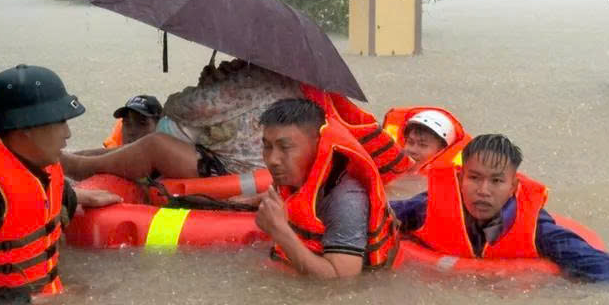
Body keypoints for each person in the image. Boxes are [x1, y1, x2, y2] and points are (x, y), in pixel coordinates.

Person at [0, 65, 121, 305]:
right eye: (59, 121)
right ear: (25, 128)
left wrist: (76, 196)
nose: (67, 133)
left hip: (45, 297)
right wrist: (35, 302)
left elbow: (38, 198)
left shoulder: (40, 161)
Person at [390, 134, 609, 282]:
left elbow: (605, 270)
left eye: (496, 181)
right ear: (460, 178)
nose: (483, 190)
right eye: (474, 178)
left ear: (513, 186)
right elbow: (376, 213)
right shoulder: (427, 207)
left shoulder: (536, 228)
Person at [60, 59, 303, 181]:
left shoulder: (251, 83)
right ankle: (73, 156)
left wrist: (209, 84)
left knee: (154, 145)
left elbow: (180, 107)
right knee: (135, 147)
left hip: (231, 169)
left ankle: (77, 167)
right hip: (247, 163)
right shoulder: (287, 80)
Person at [251, 98, 399, 279]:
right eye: (267, 146)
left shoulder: (346, 199)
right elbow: (290, 196)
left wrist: (279, 231)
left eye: (285, 147)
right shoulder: (292, 173)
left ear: (318, 144)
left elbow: (341, 281)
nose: (273, 159)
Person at [74, 94, 163, 156]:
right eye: (127, 124)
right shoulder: (109, 158)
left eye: (142, 123)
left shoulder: (173, 160)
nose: (132, 132)